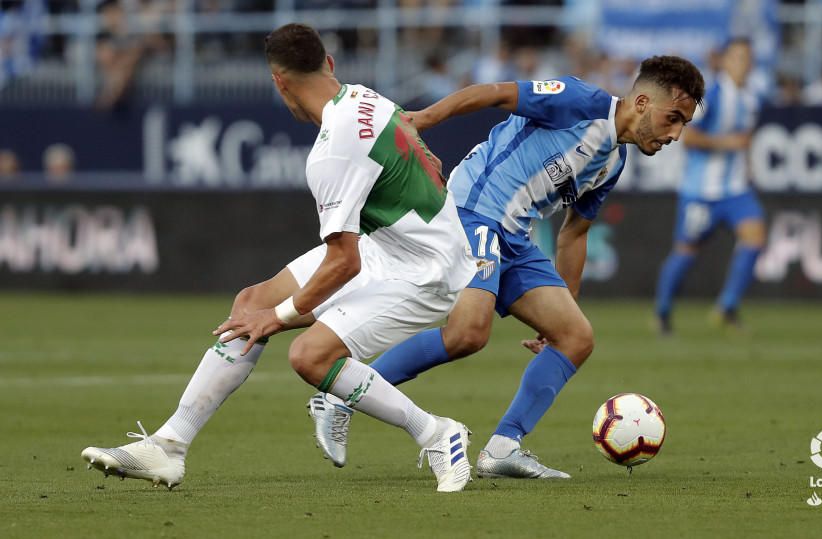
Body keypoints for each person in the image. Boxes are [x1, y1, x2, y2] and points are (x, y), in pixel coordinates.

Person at [81, 23, 477, 493]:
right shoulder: (361, 97)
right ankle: (170, 447)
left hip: (425, 271)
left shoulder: (333, 152)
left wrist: (283, 316)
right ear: (329, 64)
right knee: (251, 301)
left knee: (309, 356)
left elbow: (343, 262)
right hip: (395, 243)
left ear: (278, 81)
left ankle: (436, 434)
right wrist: (270, 311)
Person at [309, 56, 705, 478]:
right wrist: (422, 119)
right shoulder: (580, 101)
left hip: (514, 234)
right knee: (468, 334)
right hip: (473, 209)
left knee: (574, 336)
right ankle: (340, 396)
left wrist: (560, 305)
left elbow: (575, 232)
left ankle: (503, 449)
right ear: (642, 101)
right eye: (673, 118)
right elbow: (496, 93)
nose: (676, 134)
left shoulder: (613, 162)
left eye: (683, 124)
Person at [654, 38, 765, 335]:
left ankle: (727, 306)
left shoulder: (752, 97)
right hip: (701, 191)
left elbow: (745, 139)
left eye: (748, 58)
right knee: (686, 251)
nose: (744, 64)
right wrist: (726, 143)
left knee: (755, 238)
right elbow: (688, 138)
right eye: (738, 57)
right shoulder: (710, 95)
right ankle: (662, 312)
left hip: (736, 188)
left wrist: (749, 164)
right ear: (725, 61)